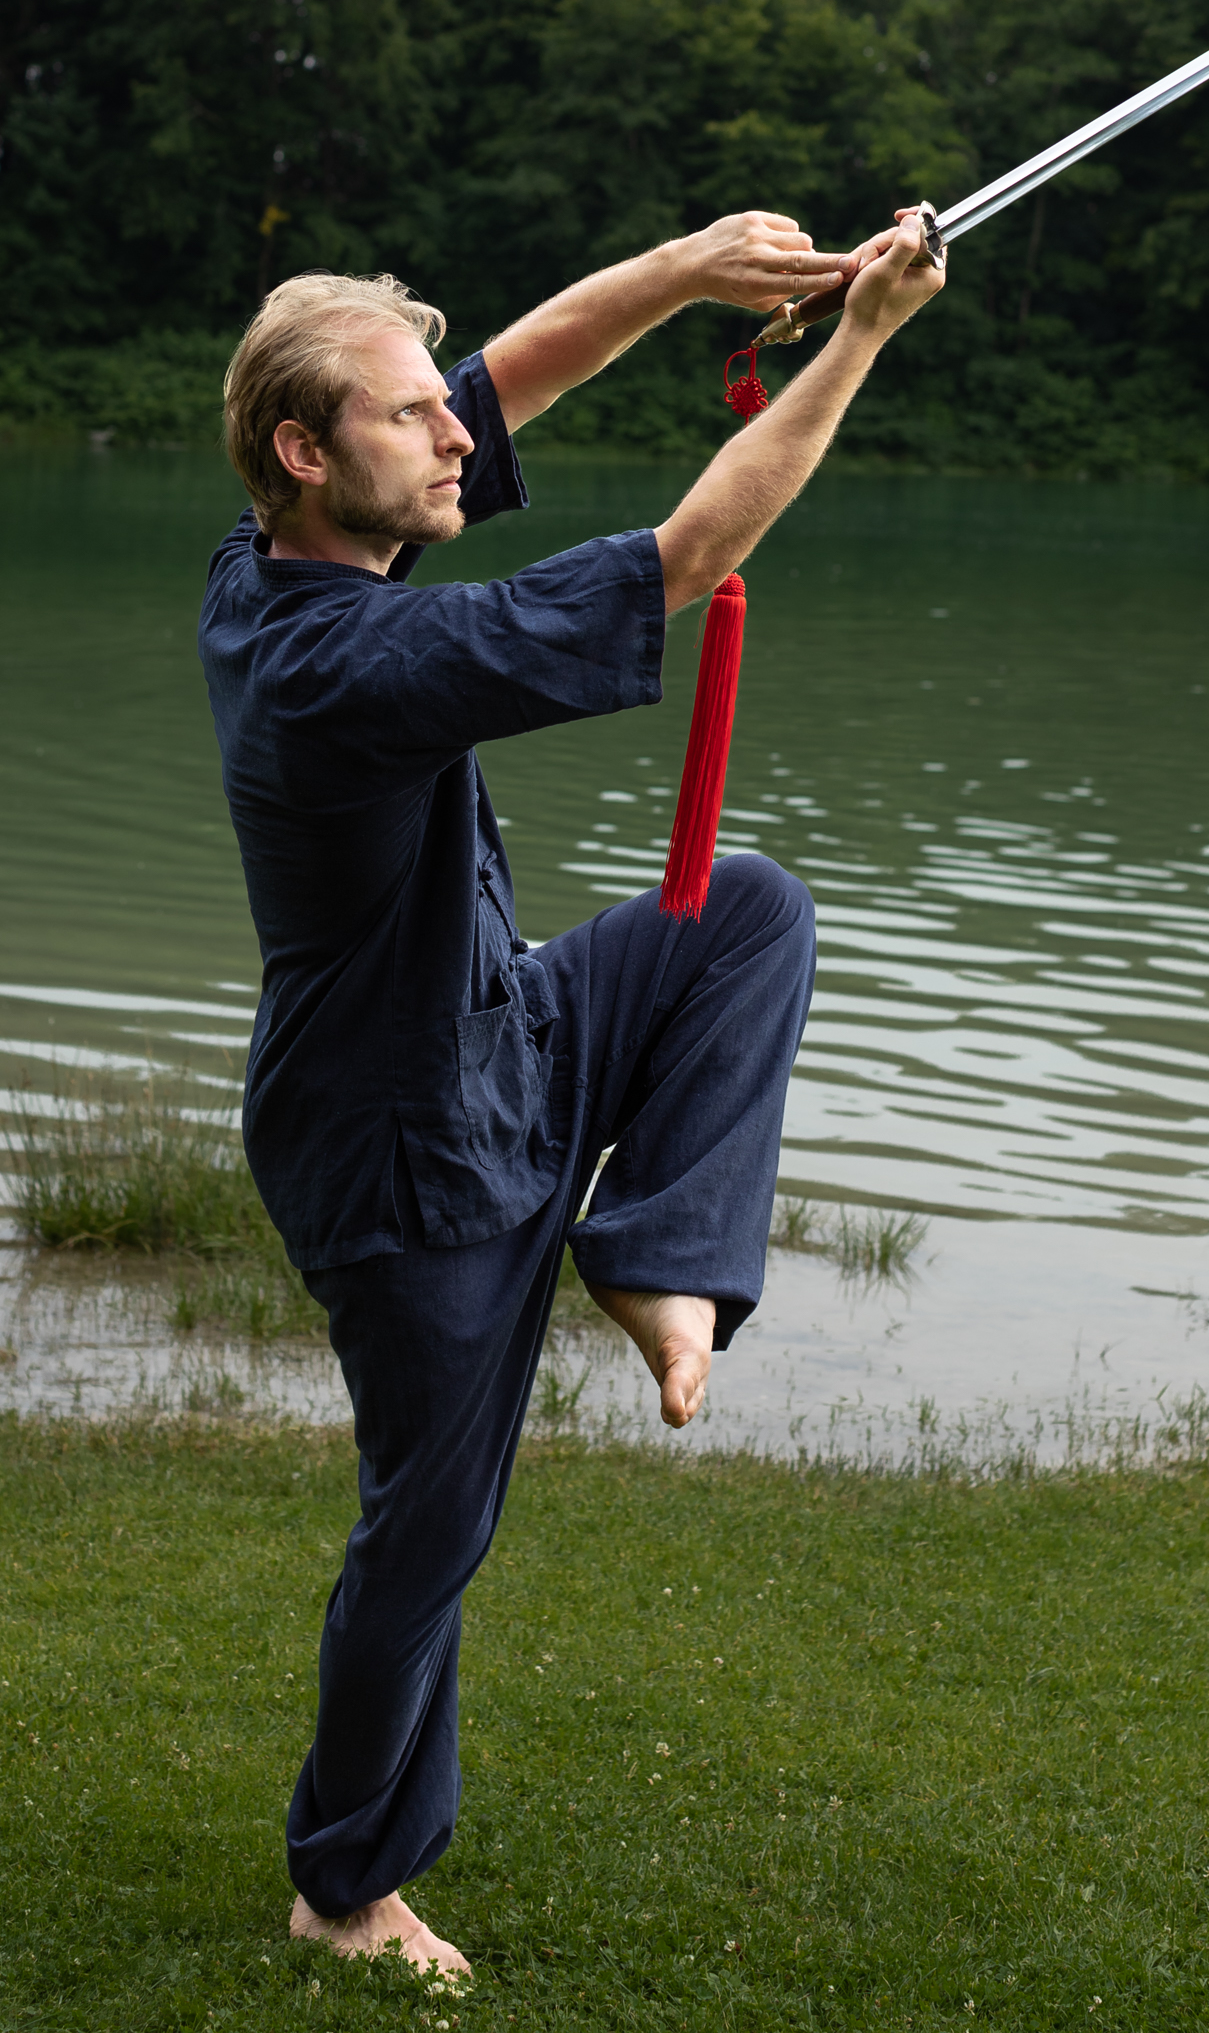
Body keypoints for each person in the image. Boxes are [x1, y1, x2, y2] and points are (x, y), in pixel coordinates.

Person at [197, 206, 944, 1982]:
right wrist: (860, 343)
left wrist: (694, 266)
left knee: (742, 910)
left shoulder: (280, 551)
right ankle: (343, 1883)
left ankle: (654, 1251)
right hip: (401, 1154)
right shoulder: (341, 667)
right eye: (408, 417)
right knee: (429, 1531)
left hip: (503, 1033)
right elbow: (686, 555)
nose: (454, 432)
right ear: (309, 454)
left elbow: (510, 372)